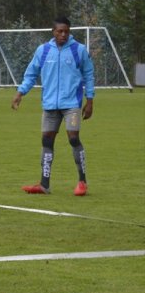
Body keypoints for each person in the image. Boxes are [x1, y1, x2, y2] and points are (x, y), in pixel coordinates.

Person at [11, 16, 95, 196]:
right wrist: (20, 93)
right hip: (50, 105)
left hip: (72, 104)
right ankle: (44, 185)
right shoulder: (43, 50)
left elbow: (89, 75)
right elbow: (31, 74)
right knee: (47, 141)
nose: (63, 34)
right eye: (60, 31)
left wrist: (90, 101)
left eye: (66, 31)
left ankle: (82, 182)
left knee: (73, 138)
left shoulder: (79, 50)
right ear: (53, 32)